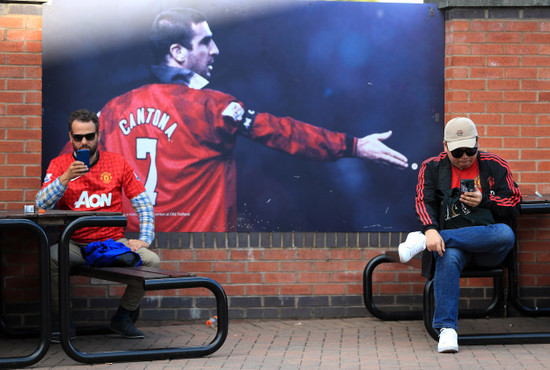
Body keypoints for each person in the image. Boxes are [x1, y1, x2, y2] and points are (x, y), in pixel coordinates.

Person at [96, 7, 409, 232]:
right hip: (200, 257)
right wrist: (354, 146)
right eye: (205, 41)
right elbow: (283, 133)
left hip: (134, 245)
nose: (215, 50)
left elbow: (68, 170)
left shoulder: (111, 110)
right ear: (178, 52)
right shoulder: (213, 107)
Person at [398, 117, 521, 353]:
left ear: (477, 143)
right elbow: (423, 202)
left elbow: (514, 202)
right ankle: (447, 330)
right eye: (457, 152)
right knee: (446, 253)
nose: (464, 156)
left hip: (487, 247)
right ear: (445, 147)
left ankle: (423, 241)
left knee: (505, 234)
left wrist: (485, 200)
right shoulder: (432, 167)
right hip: (453, 248)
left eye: (470, 150)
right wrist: (431, 229)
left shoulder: (496, 164)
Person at [36, 109, 160, 341]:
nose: (84, 142)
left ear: (99, 135)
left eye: (89, 136)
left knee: (152, 261)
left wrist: (145, 237)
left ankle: (122, 317)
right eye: (78, 137)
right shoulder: (60, 163)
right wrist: (65, 178)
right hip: (76, 244)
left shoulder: (117, 162)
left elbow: (143, 203)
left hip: (112, 243)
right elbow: (41, 203)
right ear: (70, 137)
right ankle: (62, 320)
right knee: (51, 257)